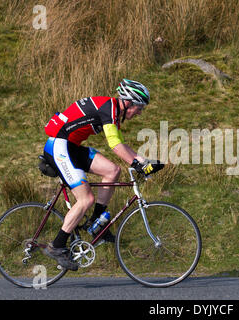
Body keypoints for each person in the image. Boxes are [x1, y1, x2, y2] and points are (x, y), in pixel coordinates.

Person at [42, 79, 163, 270]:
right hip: (58, 146)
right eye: (139, 107)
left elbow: (121, 143)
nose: (140, 112)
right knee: (86, 199)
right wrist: (135, 163)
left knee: (113, 171)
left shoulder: (113, 110)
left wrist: (143, 162)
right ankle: (56, 246)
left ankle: (96, 223)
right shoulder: (109, 108)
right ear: (129, 102)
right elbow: (114, 144)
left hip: (71, 147)